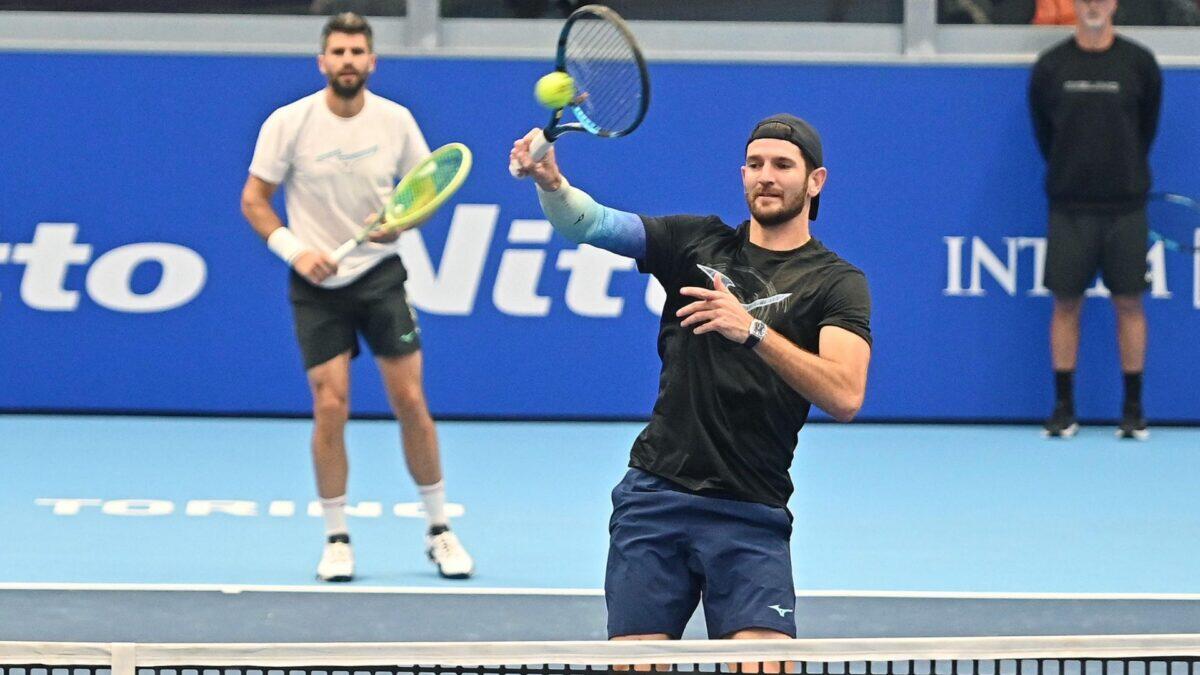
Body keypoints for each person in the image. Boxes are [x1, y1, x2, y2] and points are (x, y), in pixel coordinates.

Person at [510, 114, 871, 641]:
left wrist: (751, 330)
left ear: (815, 181)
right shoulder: (694, 243)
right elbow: (588, 223)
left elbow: (845, 394)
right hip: (656, 498)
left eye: (782, 165)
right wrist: (552, 184)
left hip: (752, 511)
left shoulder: (837, 283)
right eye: (754, 164)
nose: (765, 176)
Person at [240, 12, 473, 581]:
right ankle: (336, 536)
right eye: (338, 51)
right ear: (323, 62)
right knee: (330, 405)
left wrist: (401, 224)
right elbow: (255, 200)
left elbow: (425, 192)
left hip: (379, 276)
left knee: (410, 401)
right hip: (315, 283)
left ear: (372, 61)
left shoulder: (395, 122)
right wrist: (296, 251)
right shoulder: (289, 123)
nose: (347, 60)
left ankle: (439, 529)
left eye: (357, 51)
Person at [1028, 0, 1161, 440]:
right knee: (1065, 303)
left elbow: (1146, 130)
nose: (1093, 5)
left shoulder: (1140, 64)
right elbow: (1046, 134)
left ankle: (1133, 409)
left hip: (1126, 207)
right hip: (1069, 207)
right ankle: (1064, 408)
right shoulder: (1051, 67)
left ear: (1115, 4)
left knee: (1129, 303)